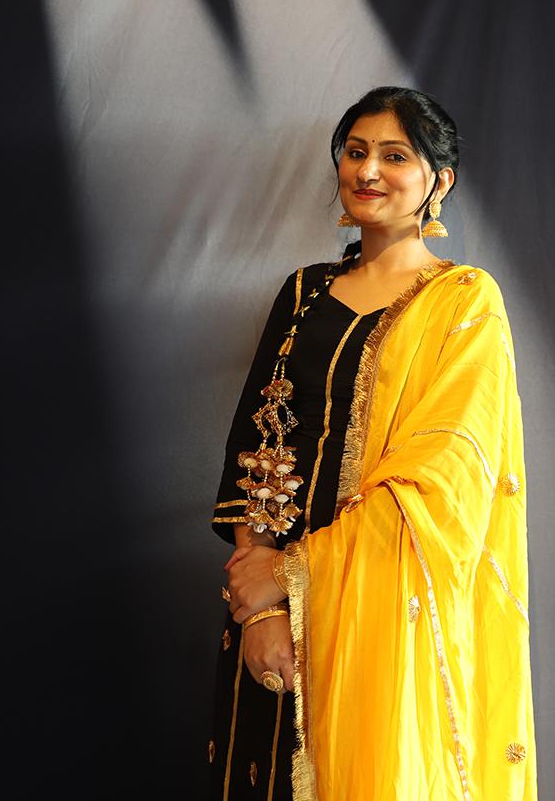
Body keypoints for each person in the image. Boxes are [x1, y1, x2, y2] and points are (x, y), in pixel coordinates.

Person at [207, 87, 536, 801]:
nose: (367, 171)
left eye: (394, 156)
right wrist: (262, 604)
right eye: (355, 152)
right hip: (269, 610)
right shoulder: (302, 295)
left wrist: (299, 577)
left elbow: (442, 485)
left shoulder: (464, 304)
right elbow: (255, 453)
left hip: (386, 622)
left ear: (438, 182)